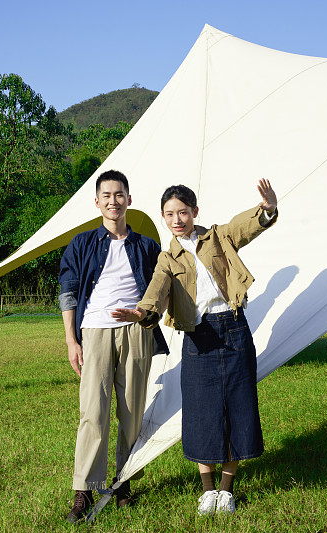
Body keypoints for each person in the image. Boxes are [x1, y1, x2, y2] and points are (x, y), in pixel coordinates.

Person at [112, 179, 277, 516]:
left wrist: (268, 210)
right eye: (170, 214)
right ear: (163, 216)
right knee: (202, 414)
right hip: (198, 337)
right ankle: (207, 491)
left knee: (237, 408)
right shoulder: (167, 259)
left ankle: (226, 491)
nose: (177, 220)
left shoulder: (218, 236)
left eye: (183, 212)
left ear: (194, 212)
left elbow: (245, 226)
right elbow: (156, 290)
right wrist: (142, 312)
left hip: (233, 328)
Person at [58, 170, 168, 523]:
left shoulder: (147, 246)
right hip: (94, 330)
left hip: (135, 331)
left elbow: (161, 291)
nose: (113, 201)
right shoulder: (81, 244)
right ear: (97, 202)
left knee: (132, 412)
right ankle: (84, 490)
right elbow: (68, 291)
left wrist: (144, 314)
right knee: (93, 411)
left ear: (129, 199)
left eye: (119, 194)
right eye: (106, 195)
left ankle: (124, 483)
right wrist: (71, 340)